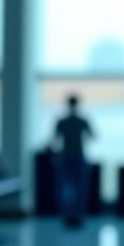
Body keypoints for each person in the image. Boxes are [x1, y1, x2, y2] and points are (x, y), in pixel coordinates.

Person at [53, 94, 94, 228]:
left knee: (66, 187)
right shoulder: (82, 121)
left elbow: (55, 139)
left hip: (65, 156)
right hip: (78, 156)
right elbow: (92, 135)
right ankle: (78, 216)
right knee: (80, 187)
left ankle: (67, 215)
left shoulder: (62, 121)